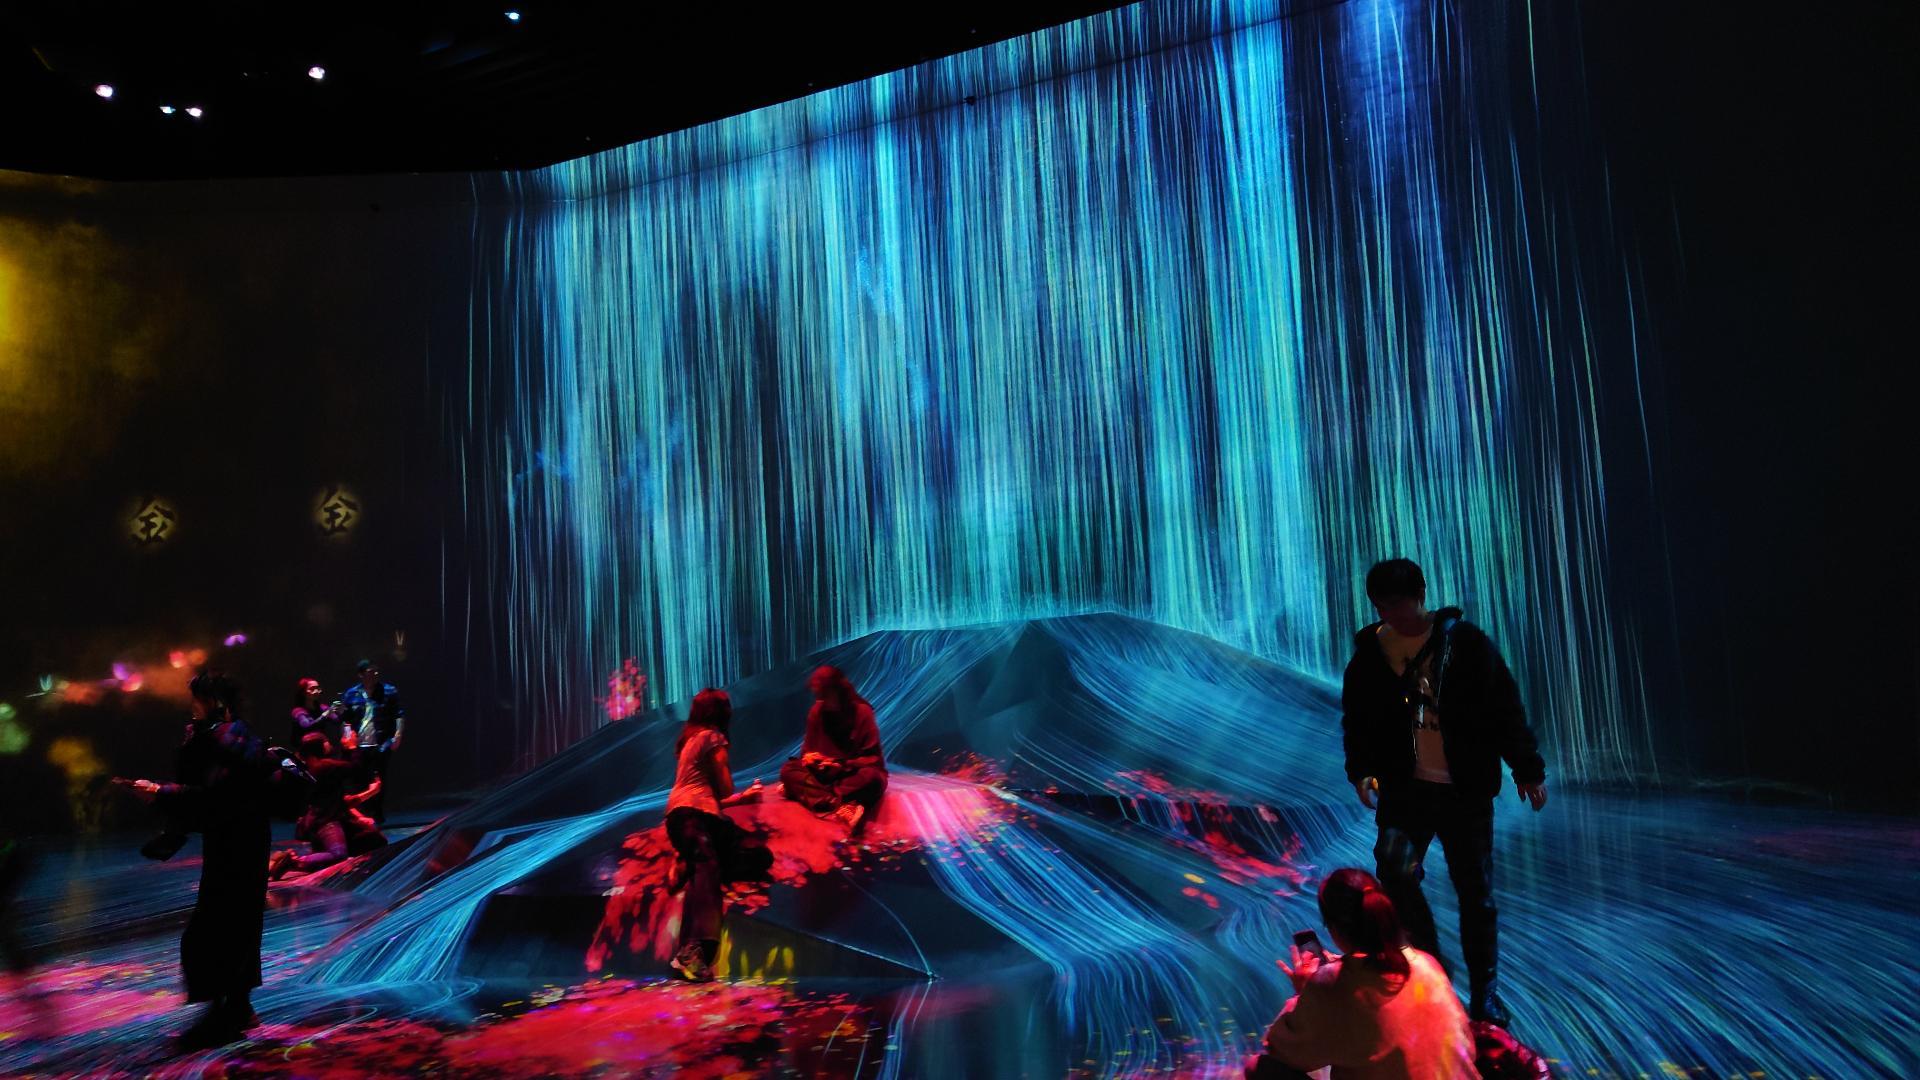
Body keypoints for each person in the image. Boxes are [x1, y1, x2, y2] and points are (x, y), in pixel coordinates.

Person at [1341, 559, 1546, 1027]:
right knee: (1394, 869)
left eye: (1400, 604)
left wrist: (1527, 768)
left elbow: (1503, 706)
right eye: (1383, 607)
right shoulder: (1370, 654)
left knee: (1476, 892)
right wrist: (1361, 771)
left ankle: (1485, 994)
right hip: (1405, 788)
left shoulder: (1465, 643)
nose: (1393, 615)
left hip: (1464, 789)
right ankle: (1434, 967)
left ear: (1421, 595)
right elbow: (1357, 718)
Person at [116, 672, 272, 1046]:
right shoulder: (236, 736)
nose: (192, 707)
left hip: (236, 842)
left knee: (213, 930)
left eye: (197, 699)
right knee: (238, 925)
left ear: (213, 701)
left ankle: (222, 1015)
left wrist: (161, 793)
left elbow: (214, 797)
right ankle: (237, 1008)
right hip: (244, 840)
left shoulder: (223, 739)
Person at [1247, 868, 1479, 1080]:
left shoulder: (1331, 986)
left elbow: (1279, 1047)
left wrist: (1305, 993)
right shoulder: (1426, 962)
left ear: (1333, 928)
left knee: (1259, 1068)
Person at [663, 689, 766, 982]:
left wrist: (743, 799)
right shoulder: (712, 738)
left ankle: (686, 860)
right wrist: (734, 786)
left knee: (749, 856)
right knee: (711, 868)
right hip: (695, 819)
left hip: (688, 818)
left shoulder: (689, 741)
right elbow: (724, 788)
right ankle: (694, 952)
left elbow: (706, 796)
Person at [779, 665, 887, 831]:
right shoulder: (817, 711)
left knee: (873, 778)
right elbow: (806, 752)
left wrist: (843, 764)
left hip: (850, 774)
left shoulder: (862, 712)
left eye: (824, 695)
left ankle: (810, 794)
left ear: (837, 691)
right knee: (788, 770)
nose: (821, 700)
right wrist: (811, 759)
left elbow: (873, 759)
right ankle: (836, 803)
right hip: (825, 775)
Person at [268, 732, 387, 880]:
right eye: (327, 742)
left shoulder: (314, 767)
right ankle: (293, 861)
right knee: (338, 854)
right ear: (321, 746)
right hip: (325, 822)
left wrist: (363, 808)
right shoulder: (324, 766)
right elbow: (355, 768)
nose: (330, 744)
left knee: (373, 838)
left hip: (319, 821)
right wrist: (351, 747)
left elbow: (341, 799)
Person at [338, 660, 403, 823]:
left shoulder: (388, 691)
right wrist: (347, 737)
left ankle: (377, 813)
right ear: (361, 674)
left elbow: (398, 714)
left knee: (379, 778)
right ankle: (362, 814)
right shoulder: (352, 693)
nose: (374, 674)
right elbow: (346, 719)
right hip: (359, 744)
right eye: (370, 672)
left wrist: (398, 735)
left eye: (376, 671)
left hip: (381, 742)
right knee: (359, 779)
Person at [289, 677, 343, 748]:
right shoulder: (298, 711)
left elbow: (337, 721)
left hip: (320, 747)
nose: (316, 691)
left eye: (318, 688)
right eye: (312, 689)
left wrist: (340, 712)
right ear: (303, 692)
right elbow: (307, 727)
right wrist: (325, 715)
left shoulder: (323, 707)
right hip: (305, 749)